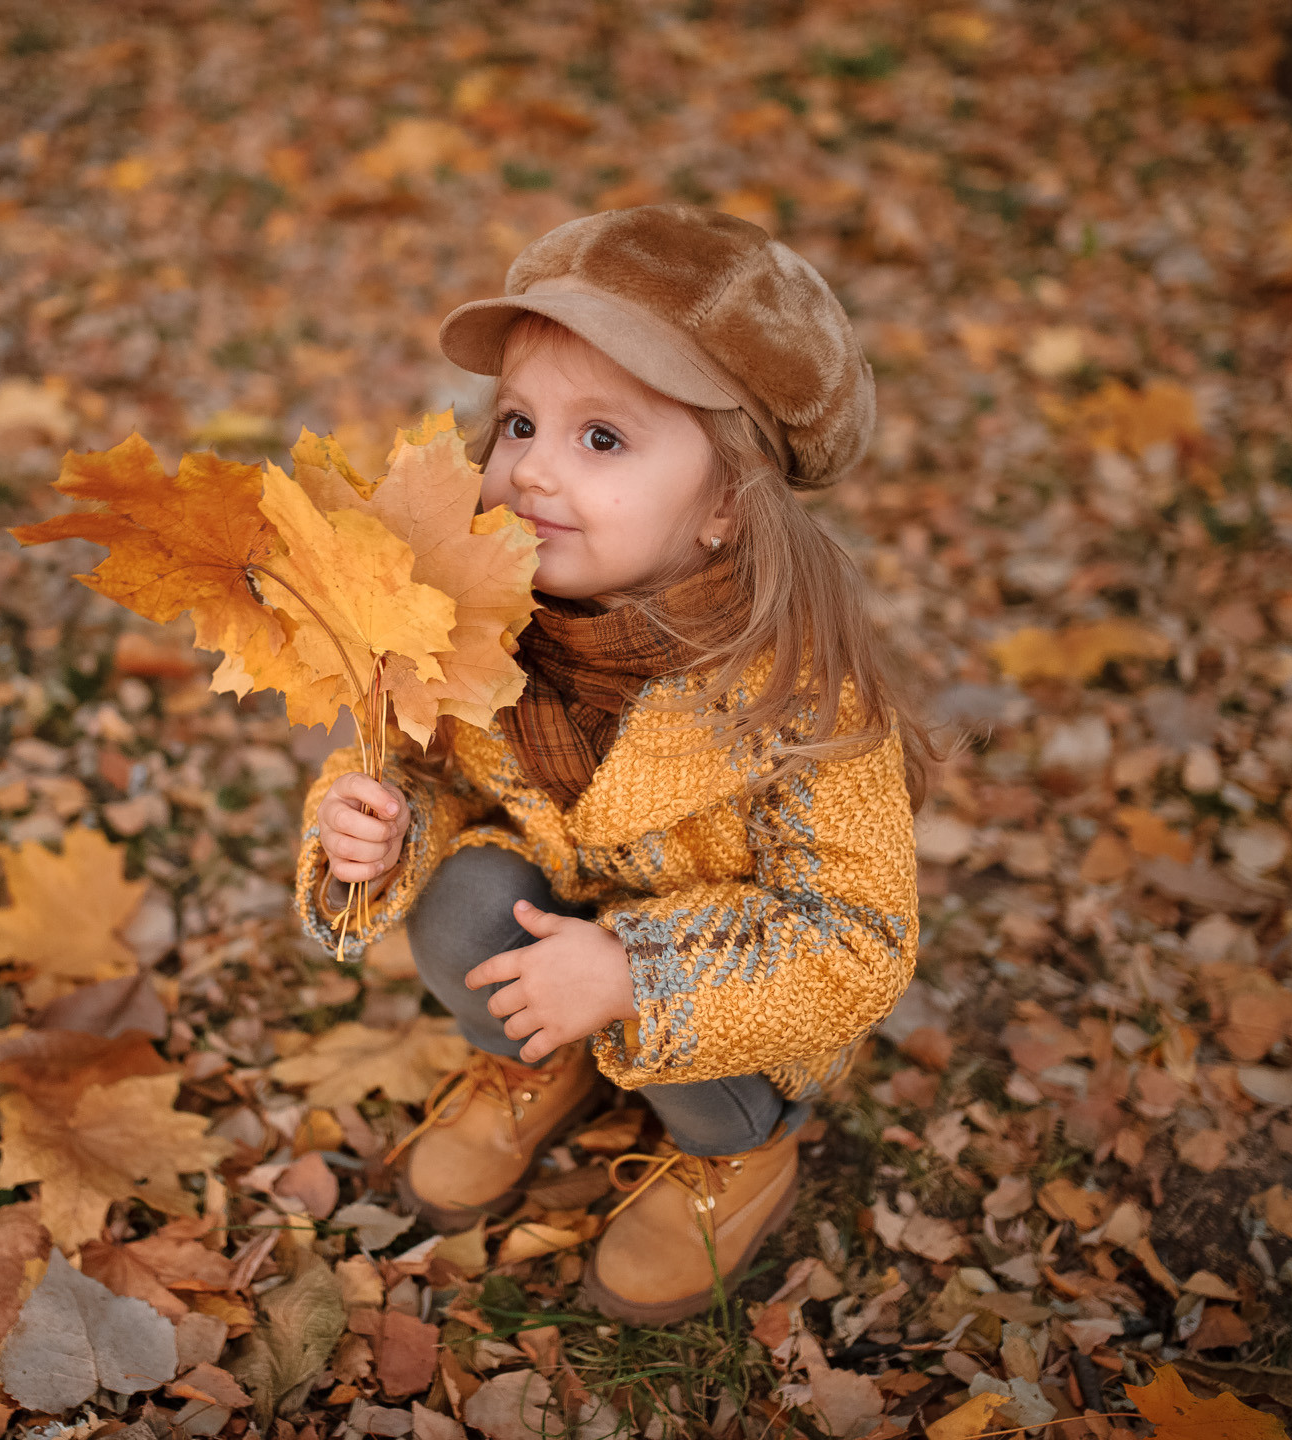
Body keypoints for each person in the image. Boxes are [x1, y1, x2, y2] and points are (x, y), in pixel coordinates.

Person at [291, 205, 930, 1324]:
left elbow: (857, 938)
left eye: (602, 439)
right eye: (521, 424)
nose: (531, 469)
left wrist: (638, 973)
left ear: (727, 503)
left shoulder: (798, 700)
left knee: (709, 1066)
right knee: (459, 901)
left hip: (710, 999)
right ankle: (540, 1060)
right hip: (556, 943)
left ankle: (741, 1154)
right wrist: (377, 827)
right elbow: (442, 780)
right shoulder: (472, 619)